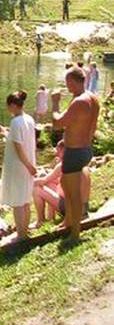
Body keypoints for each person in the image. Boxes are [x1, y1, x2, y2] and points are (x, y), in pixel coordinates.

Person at [51, 67, 100, 240]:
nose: (66, 86)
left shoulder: (79, 102)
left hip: (75, 151)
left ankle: (75, 234)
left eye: (67, 82)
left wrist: (55, 102)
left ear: (72, 81)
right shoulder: (92, 98)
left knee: (74, 195)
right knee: (65, 183)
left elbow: (58, 123)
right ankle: (68, 221)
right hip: (85, 148)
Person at [0, 90, 37, 241]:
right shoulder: (29, 119)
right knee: (25, 199)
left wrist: (28, 166)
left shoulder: (15, 122)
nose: (8, 109)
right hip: (27, 165)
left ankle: (20, 236)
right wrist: (5, 133)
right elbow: (20, 140)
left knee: (17, 202)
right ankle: (24, 231)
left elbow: (19, 148)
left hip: (18, 166)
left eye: (9, 106)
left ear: (14, 105)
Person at [32, 141, 90, 228]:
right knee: (50, 183)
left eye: (58, 151)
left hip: (72, 209)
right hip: (84, 208)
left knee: (36, 189)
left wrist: (29, 180)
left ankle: (40, 221)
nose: (56, 154)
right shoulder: (81, 164)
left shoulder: (64, 165)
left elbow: (43, 181)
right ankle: (50, 218)